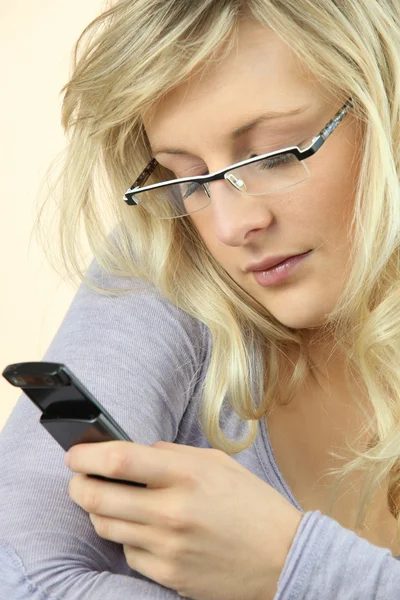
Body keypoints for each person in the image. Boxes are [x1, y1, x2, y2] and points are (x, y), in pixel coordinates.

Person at [1, 0, 400, 598]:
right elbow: (18, 572)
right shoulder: (173, 253)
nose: (233, 223)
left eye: (275, 153)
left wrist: (288, 568)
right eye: (187, 176)